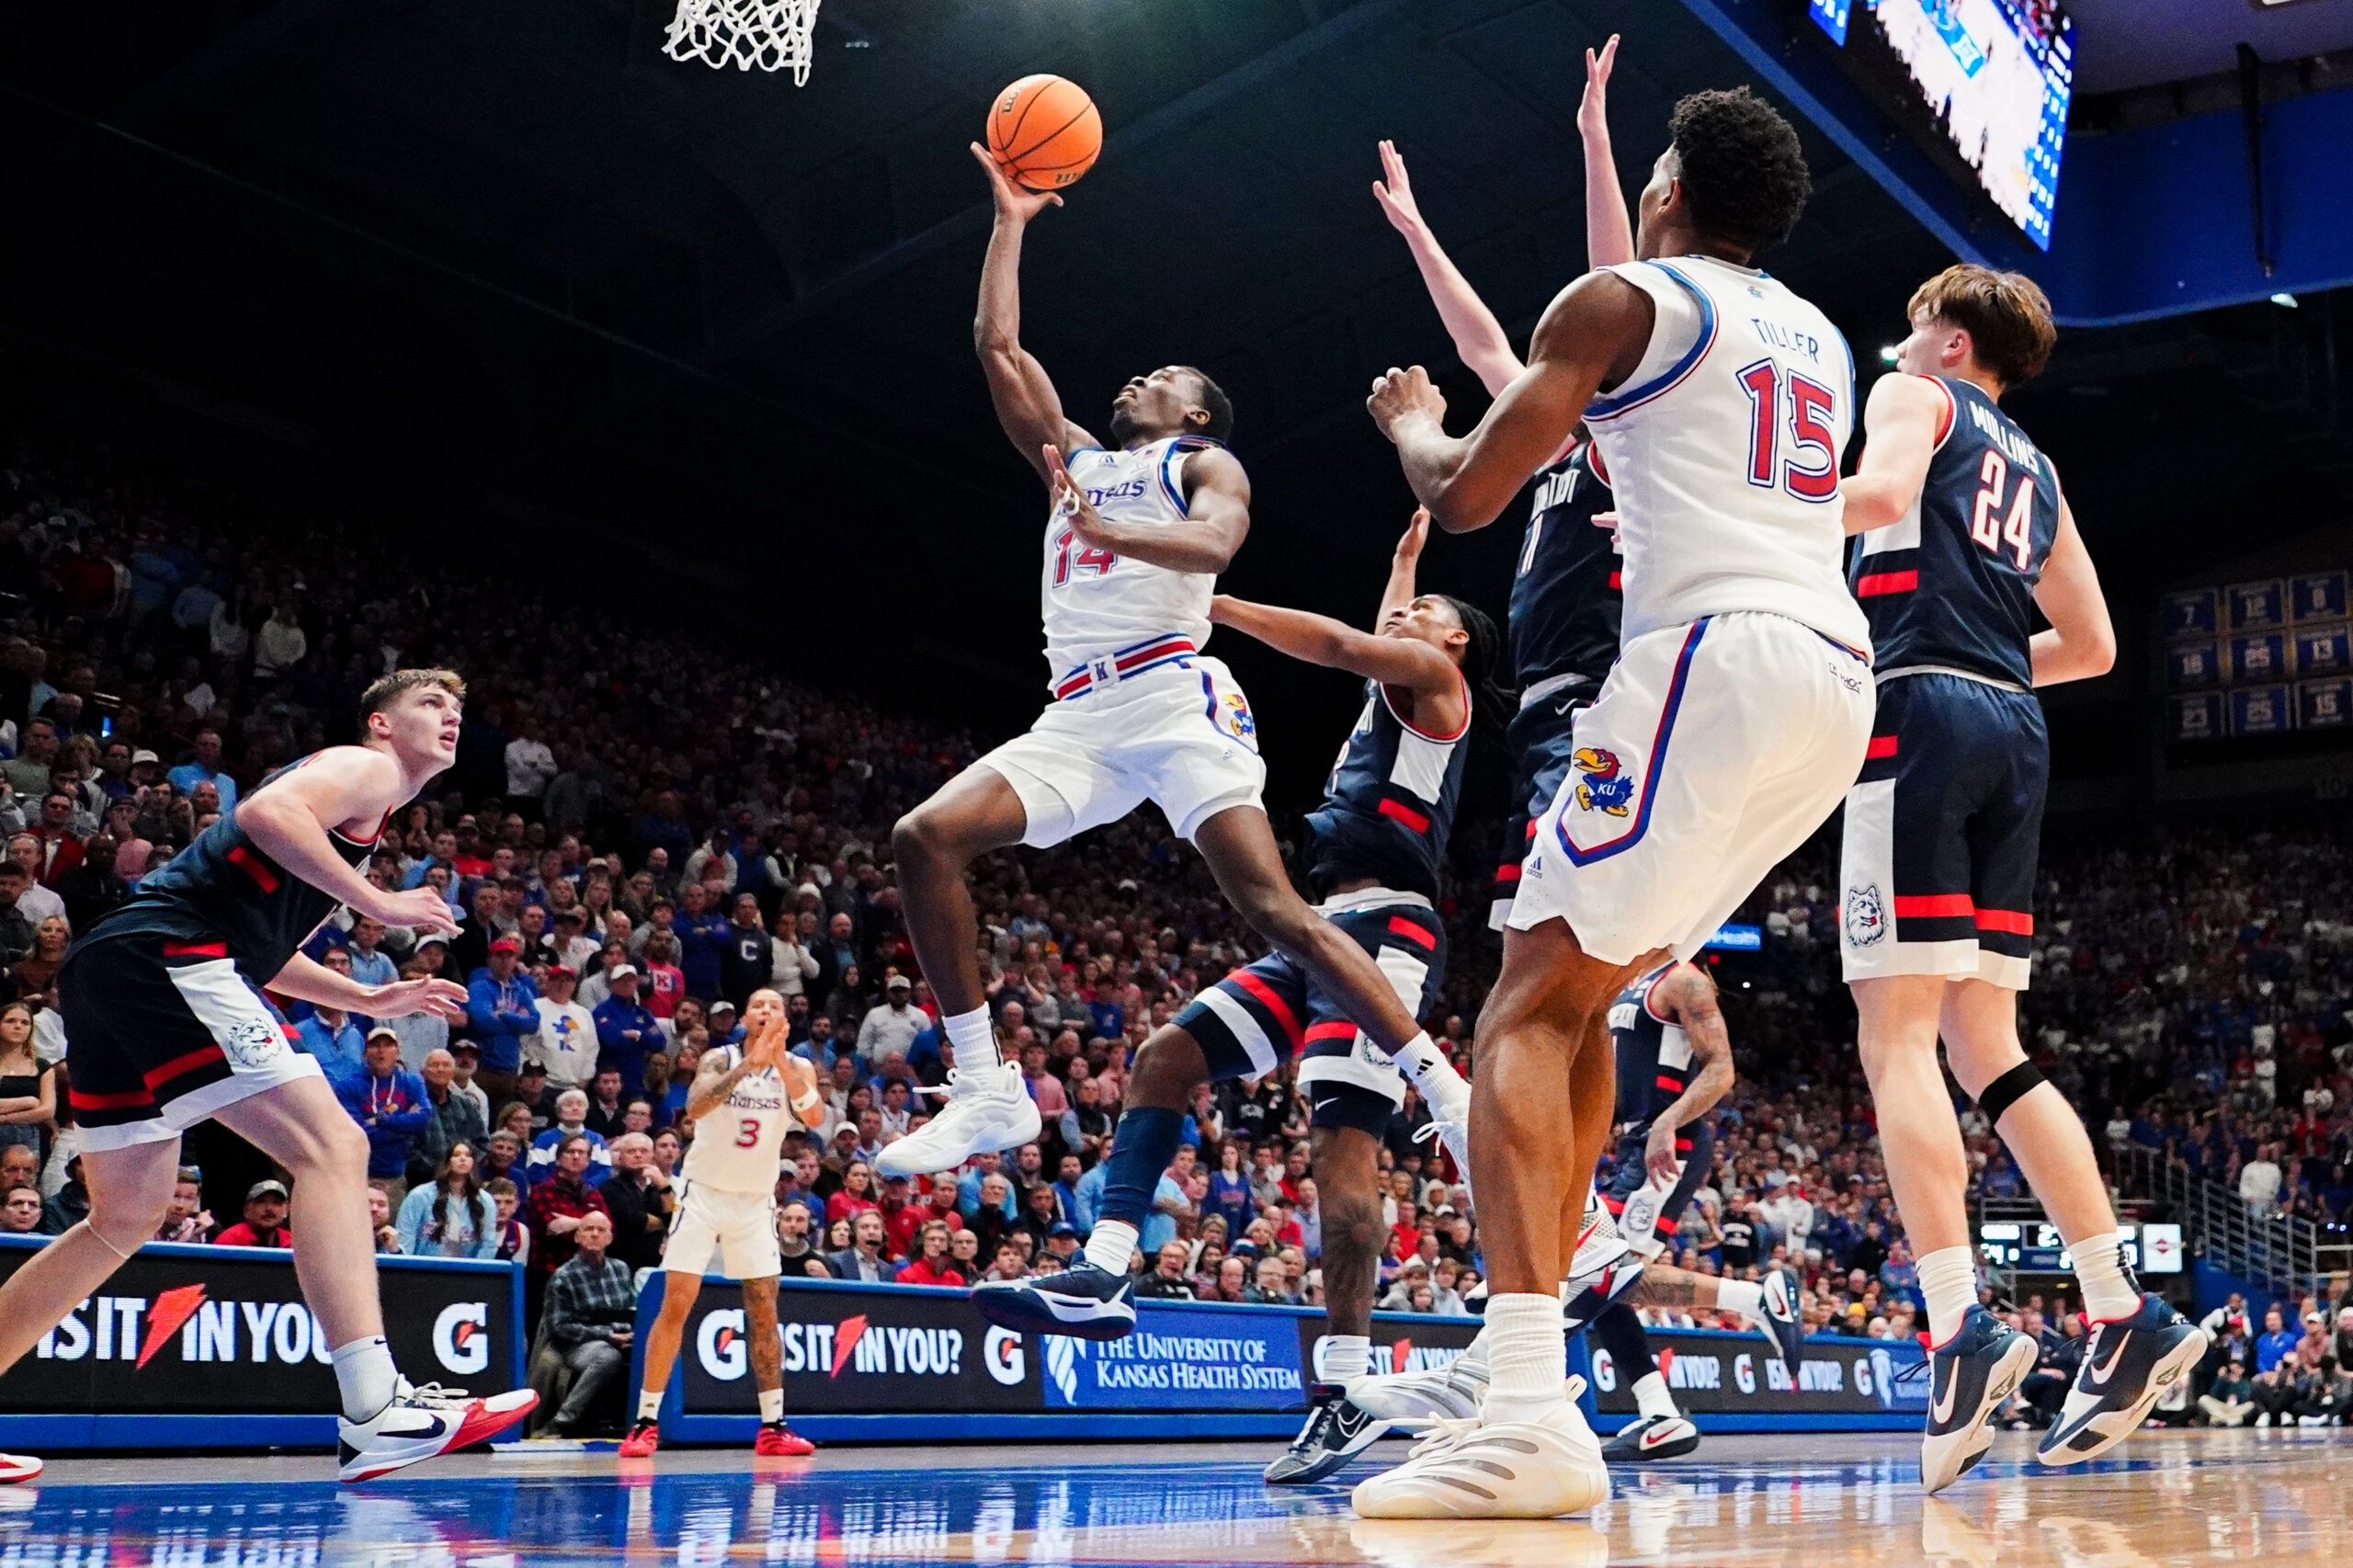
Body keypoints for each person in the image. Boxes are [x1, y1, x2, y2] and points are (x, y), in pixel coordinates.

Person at [1350, 82, 1879, 1521]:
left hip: (1711, 659)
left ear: (1665, 194)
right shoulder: (1820, 340)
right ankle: (1529, 1381)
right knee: (1576, 995)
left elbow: (1464, 493)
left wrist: (1411, 426)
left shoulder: (1623, 302)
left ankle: (1525, 1404)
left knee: (1520, 1009)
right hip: (1835, 684)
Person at [876, 143, 1469, 1185]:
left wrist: (1113, 536)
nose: (1135, 378)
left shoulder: (1199, 463)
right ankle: (986, 1086)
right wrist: (1010, 220)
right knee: (924, 838)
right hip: (1078, 715)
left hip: (1175, 691)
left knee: (1275, 908)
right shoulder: (1076, 461)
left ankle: (1442, 1090)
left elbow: (1214, 548)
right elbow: (997, 343)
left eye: (1162, 378)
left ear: (1192, 412)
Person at [979, 505, 1493, 1490]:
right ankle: (1109, 1261)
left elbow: (1348, 643)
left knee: (1340, 1155)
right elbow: (1376, 627)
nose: (1409, 615)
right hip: (1312, 926)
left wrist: (1209, 603)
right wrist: (1403, 560)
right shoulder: (1399, 674)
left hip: (1384, 928)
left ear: (1455, 638)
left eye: (1424, 608)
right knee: (1163, 1057)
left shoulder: (1436, 677)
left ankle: (1343, 1384)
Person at [1833, 264, 2200, 1490]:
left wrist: (1742, 520)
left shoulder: (1907, 391)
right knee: (1988, 1038)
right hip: (2011, 726)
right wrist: (1984, 672)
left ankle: (1959, 1322)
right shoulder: (2035, 467)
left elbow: (1878, 491)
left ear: (1944, 338)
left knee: (1896, 1035)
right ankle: (2117, 1303)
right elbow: (2090, 645)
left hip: (1915, 711)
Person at [0, 668, 533, 1483]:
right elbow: (265, 810)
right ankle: (375, 1407)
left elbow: (264, 952)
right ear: (382, 725)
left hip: (113, 968)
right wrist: (384, 907)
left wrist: (365, 994)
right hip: (164, 956)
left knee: (124, 1217)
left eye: (458, 708)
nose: (450, 717)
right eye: (430, 704)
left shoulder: (357, 816)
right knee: (334, 1148)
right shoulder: (367, 769)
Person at [618, 990, 825, 1459]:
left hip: (754, 1201)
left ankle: (773, 1426)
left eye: (775, 1006)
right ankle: (645, 1421)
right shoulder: (719, 1057)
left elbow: (813, 1116)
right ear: (746, 1016)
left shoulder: (800, 1067)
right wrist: (749, 1066)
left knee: (763, 1308)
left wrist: (781, 1065)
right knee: (677, 1303)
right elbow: (695, 1108)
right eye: (757, 1006)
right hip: (704, 1193)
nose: (766, 1011)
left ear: (785, 1019)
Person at [540, 1210, 637, 1438]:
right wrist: (607, 1335)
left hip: (622, 1339)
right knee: (606, 1356)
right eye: (588, 1229)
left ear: (610, 1238)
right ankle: (562, 1421)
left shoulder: (621, 1269)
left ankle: (642, 1423)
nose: (594, 1234)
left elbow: (633, 1311)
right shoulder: (564, 1276)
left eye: (601, 1230)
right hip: (576, 1346)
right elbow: (559, 1328)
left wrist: (631, 1334)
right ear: (577, 1237)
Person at [335, 1028, 434, 1209]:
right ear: (365, 1053)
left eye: (388, 1045)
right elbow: (357, 1132)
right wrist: (404, 1129)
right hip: (357, 1176)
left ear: (397, 1052)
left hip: (395, 1176)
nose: (381, 1051)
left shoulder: (412, 1082)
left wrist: (381, 1121)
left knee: (392, 1234)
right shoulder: (347, 1086)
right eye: (375, 1046)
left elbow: (423, 1120)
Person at [395, 1141, 496, 1258]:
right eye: (456, 1155)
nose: (463, 1159)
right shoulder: (419, 1195)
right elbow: (405, 1235)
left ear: (474, 1162)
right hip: (423, 1270)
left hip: (467, 1273)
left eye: (468, 1155)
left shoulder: (485, 1200)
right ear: (447, 1161)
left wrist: (480, 1273)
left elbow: (489, 1245)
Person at [530, 965, 598, 1093]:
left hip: (574, 1086)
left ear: (574, 985)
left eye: (567, 980)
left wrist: (585, 1078)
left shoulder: (583, 1013)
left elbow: (592, 1049)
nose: (562, 984)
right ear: (549, 982)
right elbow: (525, 1044)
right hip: (544, 1084)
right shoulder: (535, 1007)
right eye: (558, 980)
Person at [213, 1178, 295, 1247]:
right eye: (261, 1202)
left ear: (286, 1210)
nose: (269, 1208)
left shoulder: (293, 1242)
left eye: (277, 1202)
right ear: (246, 1210)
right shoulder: (230, 1240)